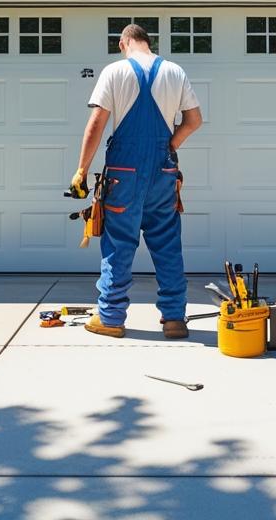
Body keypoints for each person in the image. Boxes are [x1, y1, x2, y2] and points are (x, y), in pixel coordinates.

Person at [72, 23, 203, 339]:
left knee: (119, 243)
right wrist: (170, 145)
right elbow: (194, 120)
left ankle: (111, 317)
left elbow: (96, 126)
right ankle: (174, 318)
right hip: (163, 171)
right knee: (167, 244)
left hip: (124, 174)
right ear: (148, 42)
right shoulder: (174, 71)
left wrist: (81, 171)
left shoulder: (115, 71)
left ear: (123, 43)